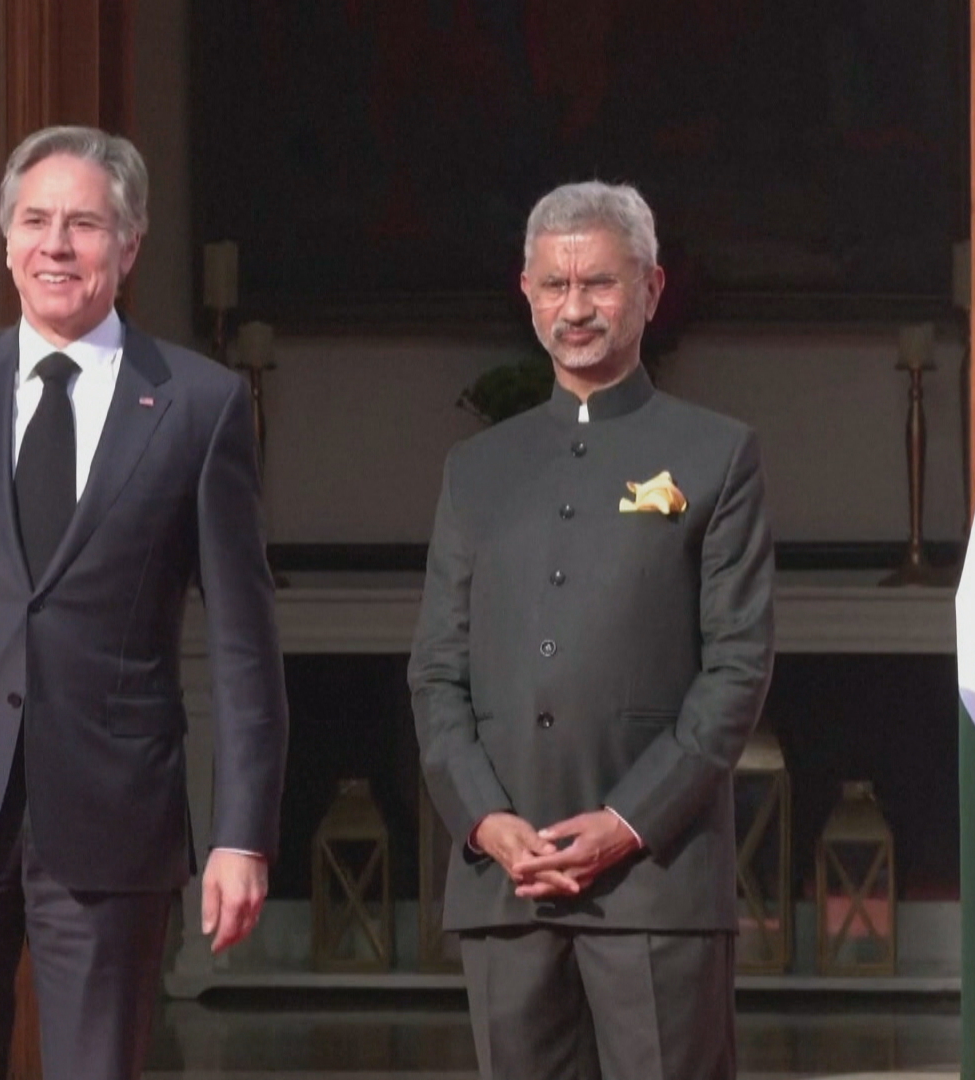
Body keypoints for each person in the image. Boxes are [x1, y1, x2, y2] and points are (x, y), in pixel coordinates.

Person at [0, 125, 288, 1080]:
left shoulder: (199, 405)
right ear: (6, 243)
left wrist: (242, 832)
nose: (56, 245)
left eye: (84, 224)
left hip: (113, 821)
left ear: (130, 245)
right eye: (35, 221)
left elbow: (245, 647)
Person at [409, 180, 775, 1080]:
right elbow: (437, 672)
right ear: (527, 292)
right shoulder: (475, 469)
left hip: (658, 884)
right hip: (506, 885)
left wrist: (627, 822)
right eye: (555, 285)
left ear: (651, 289)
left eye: (599, 283)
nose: (575, 309)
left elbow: (735, 671)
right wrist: (484, 819)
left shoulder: (716, 455)